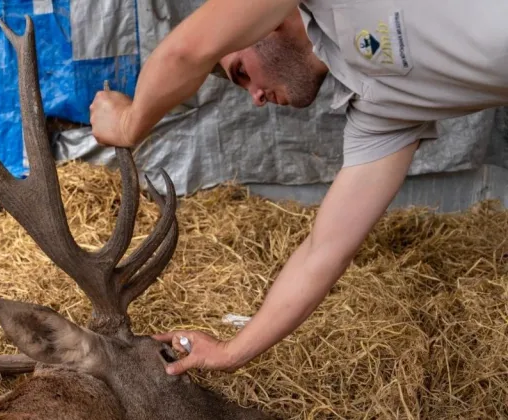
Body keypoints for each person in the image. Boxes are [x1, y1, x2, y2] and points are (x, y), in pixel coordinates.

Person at [89, 0, 508, 376]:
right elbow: (322, 252)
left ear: (256, 26)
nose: (255, 96)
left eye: (241, 72)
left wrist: (129, 124)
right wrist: (231, 352)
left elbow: (188, 50)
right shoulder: (379, 108)